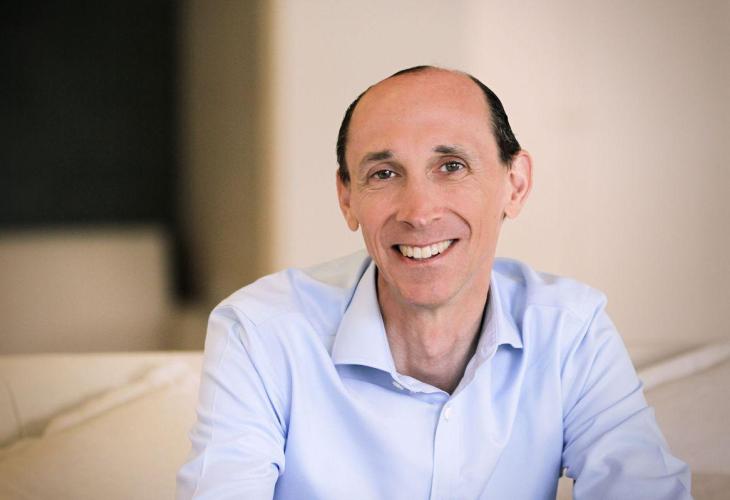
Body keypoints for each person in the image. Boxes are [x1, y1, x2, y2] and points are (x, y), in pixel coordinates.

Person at [177, 66, 691, 499]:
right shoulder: (260, 330)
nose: (419, 212)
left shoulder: (570, 330)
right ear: (347, 198)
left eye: (451, 166)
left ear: (515, 184)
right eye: (384, 174)